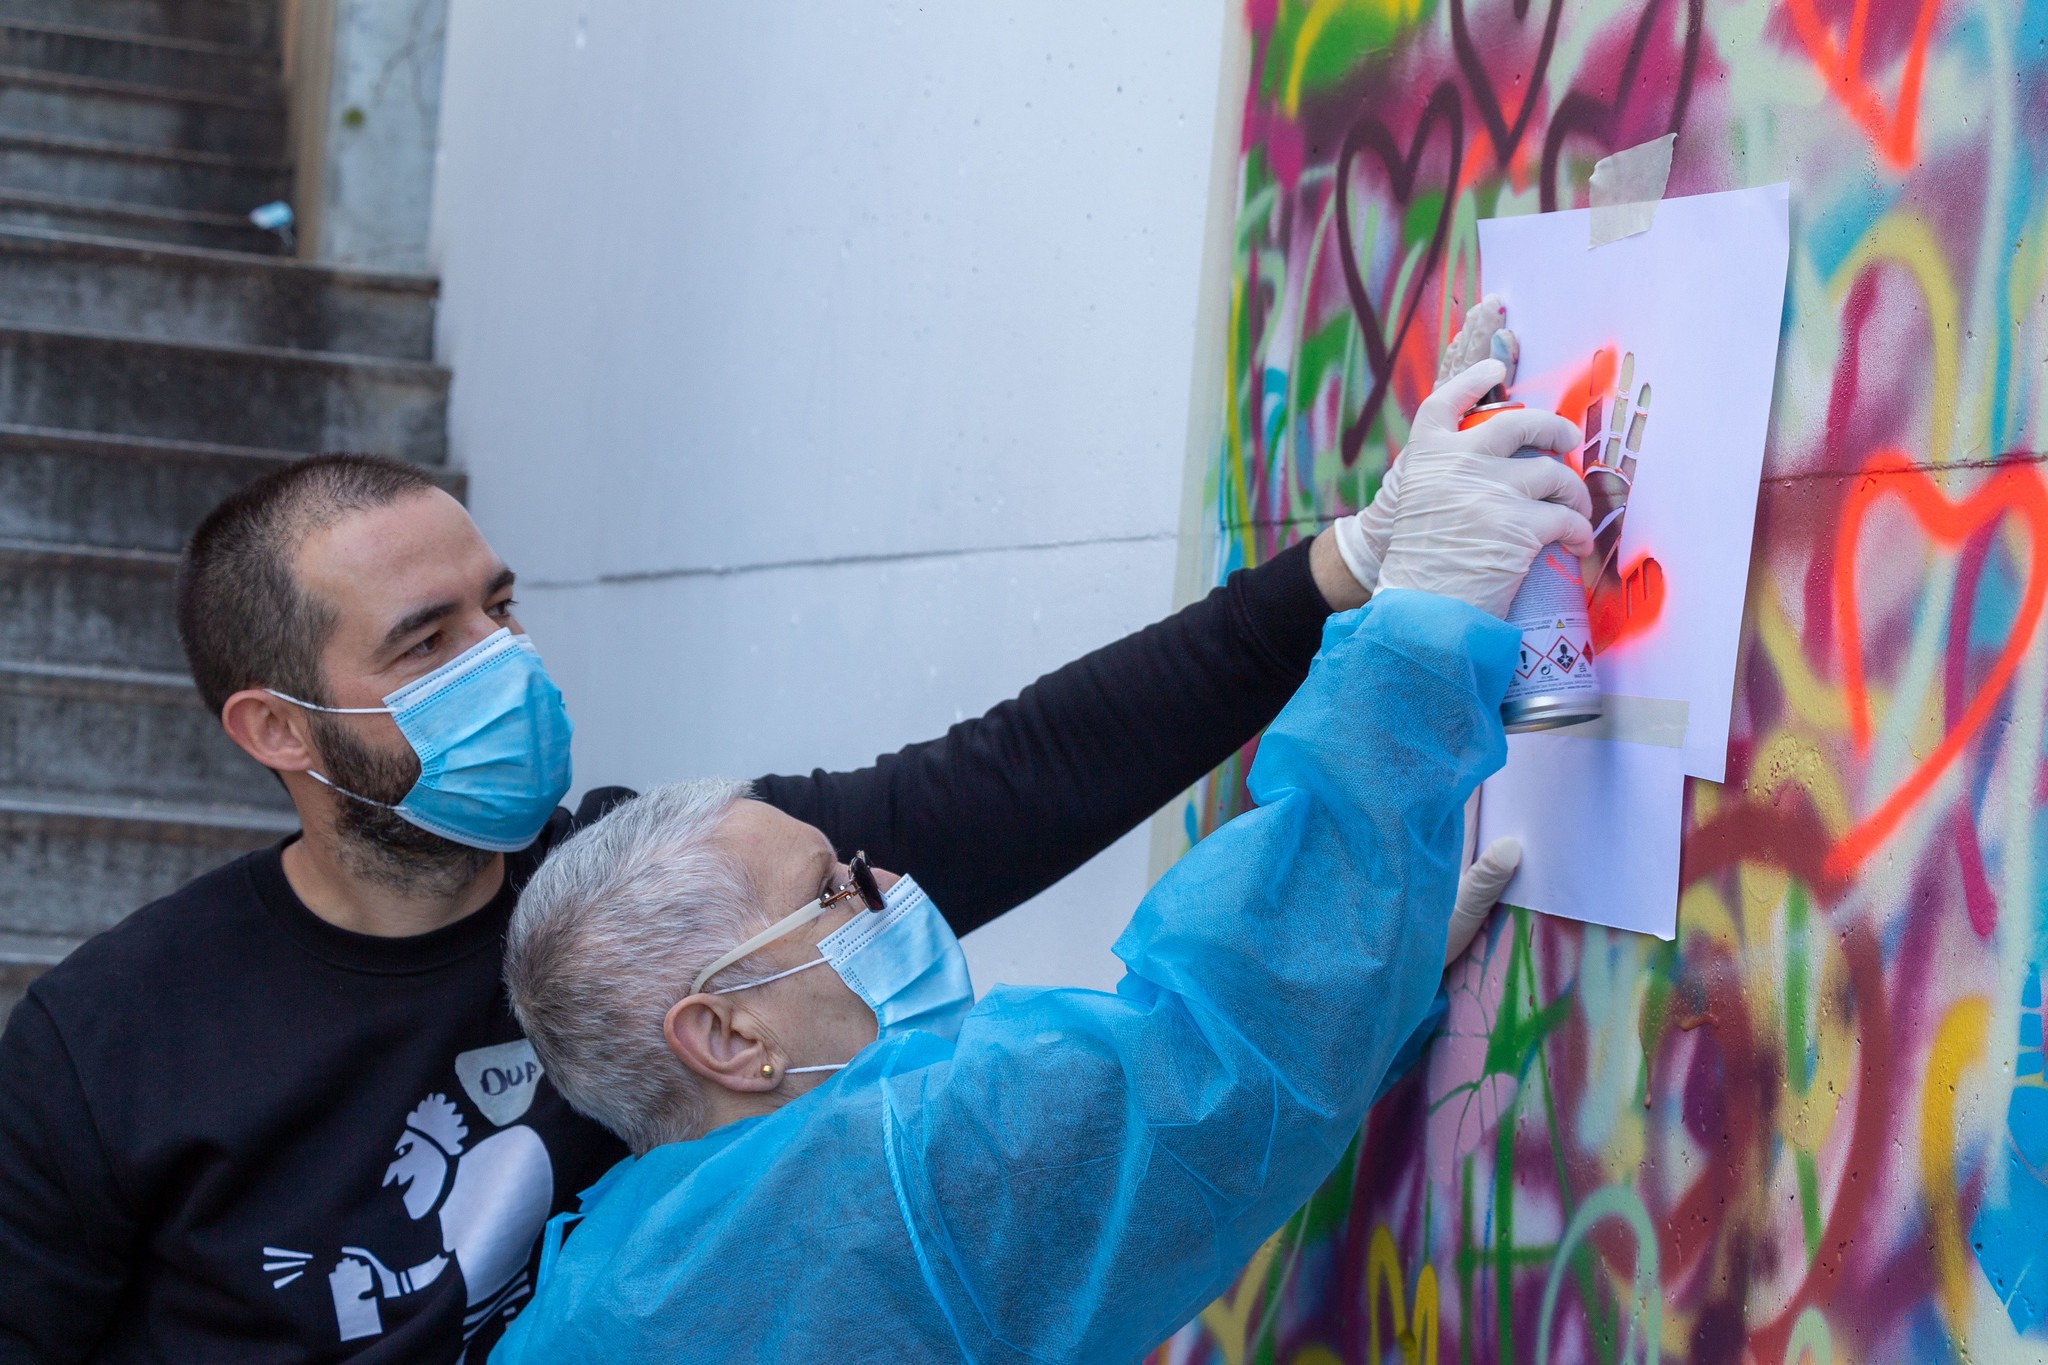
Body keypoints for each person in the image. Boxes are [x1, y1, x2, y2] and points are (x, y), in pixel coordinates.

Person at [0, 339, 1574, 1361]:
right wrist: (1420, 644)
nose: (505, 660)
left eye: (501, 602)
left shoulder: (634, 879)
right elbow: (1209, 1075)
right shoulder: (111, 1047)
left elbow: (1022, 772)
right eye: (428, 641)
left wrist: (1347, 565)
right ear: (280, 729)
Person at [489, 356, 1589, 1360]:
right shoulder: (895, 1167)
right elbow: (1220, 1069)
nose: (893, 891)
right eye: (833, 890)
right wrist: (1421, 626)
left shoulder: (598, 1284)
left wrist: (1373, 963)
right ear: (727, 1034)